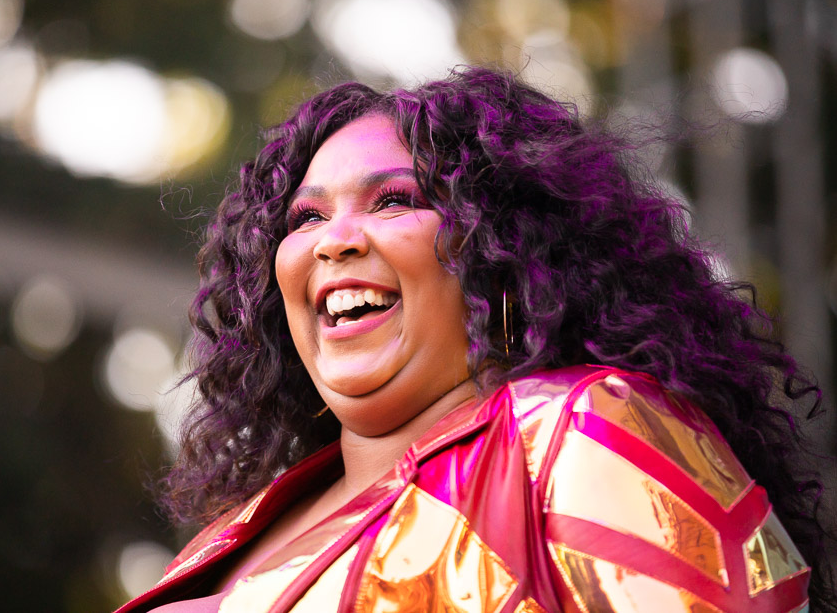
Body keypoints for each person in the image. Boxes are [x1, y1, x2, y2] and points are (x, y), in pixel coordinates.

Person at [117, 67, 833, 612]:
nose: (333, 240)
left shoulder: (577, 433)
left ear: (505, 252)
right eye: (307, 218)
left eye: (393, 201)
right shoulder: (226, 538)